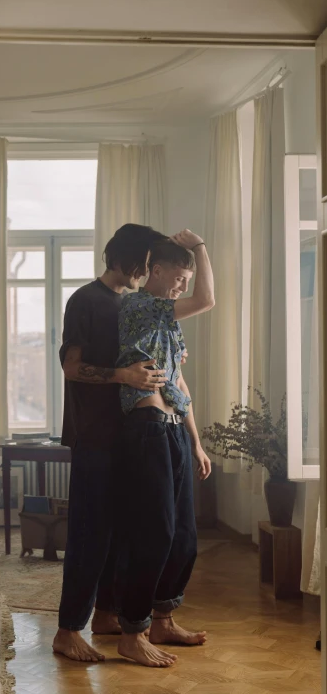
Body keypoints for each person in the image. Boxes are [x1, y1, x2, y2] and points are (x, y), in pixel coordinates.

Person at [52, 223, 173, 663]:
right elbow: (71, 367)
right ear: (123, 257)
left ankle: (104, 615)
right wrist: (123, 376)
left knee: (121, 533)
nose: (147, 272)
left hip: (131, 437)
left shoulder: (136, 304)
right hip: (95, 436)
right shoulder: (84, 300)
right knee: (89, 534)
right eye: (144, 263)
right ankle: (67, 631)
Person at [115, 230, 214, 668]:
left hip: (172, 429)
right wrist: (199, 246)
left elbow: (178, 383)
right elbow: (208, 300)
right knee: (154, 534)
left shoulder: (167, 325)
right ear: (155, 271)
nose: (182, 289)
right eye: (178, 280)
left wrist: (196, 441)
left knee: (184, 537)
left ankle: (163, 619)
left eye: (186, 283)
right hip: (147, 428)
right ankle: (131, 632)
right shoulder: (139, 305)